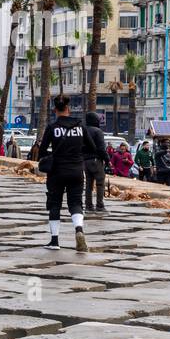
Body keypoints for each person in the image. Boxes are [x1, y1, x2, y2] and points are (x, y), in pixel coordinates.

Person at [36, 95, 95, 251]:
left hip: (57, 171)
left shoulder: (52, 128)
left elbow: (41, 152)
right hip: (76, 170)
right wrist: (79, 154)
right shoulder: (80, 127)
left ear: (55, 110)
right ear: (68, 109)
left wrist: (51, 154)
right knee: (75, 203)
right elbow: (92, 148)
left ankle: (54, 241)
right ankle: (79, 230)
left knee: (55, 203)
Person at [83, 111, 110, 213]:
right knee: (100, 183)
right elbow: (101, 149)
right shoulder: (97, 131)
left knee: (89, 184)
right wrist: (107, 160)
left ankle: (88, 206)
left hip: (85, 161)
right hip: (95, 160)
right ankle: (100, 205)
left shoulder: (83, 130)